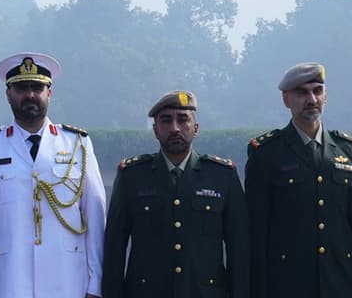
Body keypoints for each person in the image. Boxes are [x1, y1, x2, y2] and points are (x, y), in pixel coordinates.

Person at [0, 52, 107, 298]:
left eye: (37, 87)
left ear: (49, 93)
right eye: (21, 88)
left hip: (68, 282)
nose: (30, 95)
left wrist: (95, 285)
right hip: (7, 283)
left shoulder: (78, 144)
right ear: (8, 94)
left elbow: (95, 215)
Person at [102, 90, 249, 298]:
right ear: (155, 130)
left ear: (195, 128)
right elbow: (114, 248)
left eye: (183, 120)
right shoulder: (132, 176)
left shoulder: (222, 175)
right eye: (166, 121)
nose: (175, 128)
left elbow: (239, 248)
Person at [245, 62, 352, 298]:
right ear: (286, 99)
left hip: (341, 281)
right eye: (302, 92)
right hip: (288, 282)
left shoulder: (349, 150)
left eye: (317, 90)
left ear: (326, 95)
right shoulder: (267, 152)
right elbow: (257, 230)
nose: (311, 99)